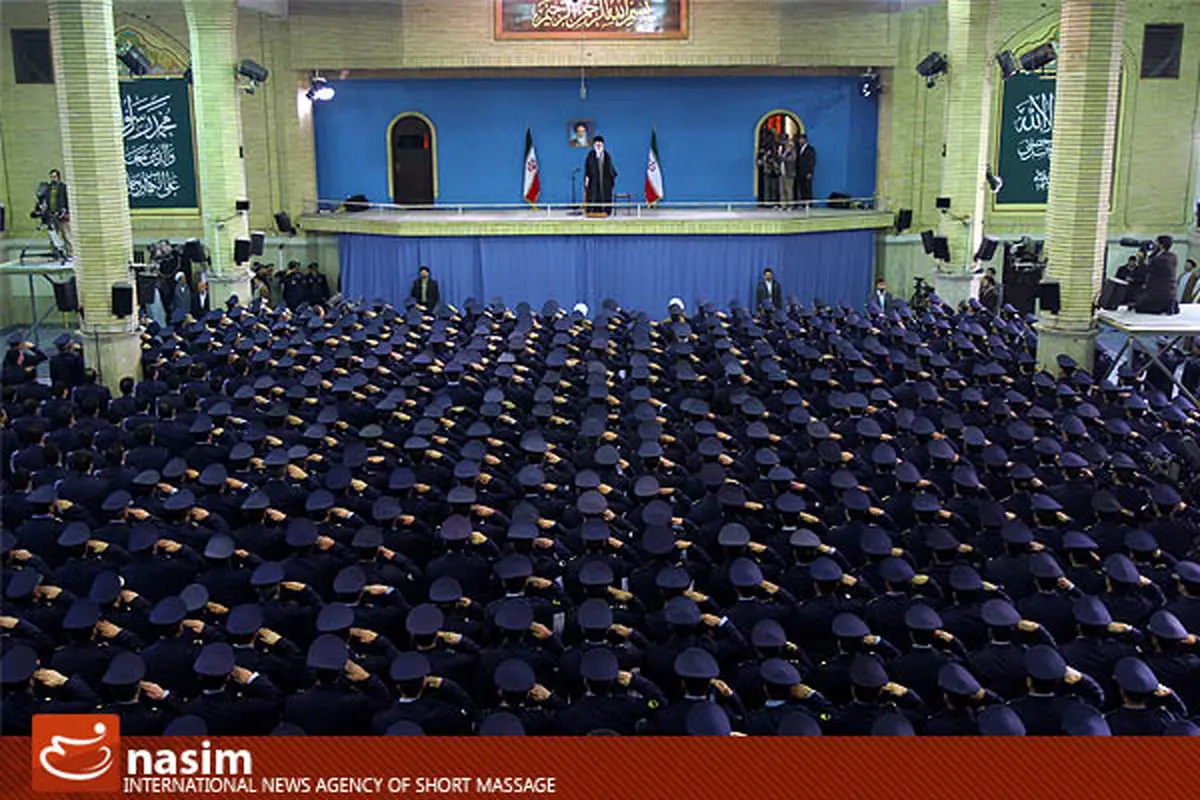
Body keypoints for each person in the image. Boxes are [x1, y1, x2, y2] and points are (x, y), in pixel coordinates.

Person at [1134, 235, 1178, 315]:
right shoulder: (1172, 256)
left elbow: (1143, 271)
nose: (1153, 245)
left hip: (1159, 294)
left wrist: (1141, 259)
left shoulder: (1160, 259)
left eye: (1156, 242)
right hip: (1170, 294)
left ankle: (1162, 308)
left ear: (1161, 245)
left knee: (1138, 307)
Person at [32, 169, 70, 260]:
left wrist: (67, 211)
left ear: (58, 177)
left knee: (66, 234)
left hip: (61, 214)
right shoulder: (48, 188)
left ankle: (70, 254)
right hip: (51, 214)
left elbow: (67, 200)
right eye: (51, 177)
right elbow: (43, 200)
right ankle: (55, 254)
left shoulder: (63, 187)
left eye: (54, 177)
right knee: (53, 235)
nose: (53, 179)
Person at [584, 137, 617, 218]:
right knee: (593, 195)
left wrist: (612, 178)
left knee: (605, 194)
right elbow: (587, 168)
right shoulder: (590, 155)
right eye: (597, 145)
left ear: (603, 145)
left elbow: (610, 168)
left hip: (604, 181)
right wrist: (586, 178)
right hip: (593, 181)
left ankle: (606, 211)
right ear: (594, 145)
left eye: (600, 145)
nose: (598, 146)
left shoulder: (606, 155)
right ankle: (592, 211)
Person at [757, 132, 780, 207]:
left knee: (773, 187)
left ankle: (773, 202)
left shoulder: (777, 147)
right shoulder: (764, 147)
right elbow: (759, 159)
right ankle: (768, 202)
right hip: (767, 169)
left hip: (774, 170)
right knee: (768, 187)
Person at [796, 134, 816, 204]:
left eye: (801, 139)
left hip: (807, 173)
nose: (799, 141)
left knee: (807, 189)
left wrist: (810, 172)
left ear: (805, 140)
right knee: (802, 189)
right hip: (800, 172)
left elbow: (812, 161)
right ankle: (803, 203)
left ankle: (808, 204)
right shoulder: (799, 149)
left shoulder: (810, 149)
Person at [778, 135, 797, 208]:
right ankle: (783, 205)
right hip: (781, 171)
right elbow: (778, 158)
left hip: (789, 172)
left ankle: (790, 205)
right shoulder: (780, 148)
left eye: (784, 140)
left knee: (789, 189)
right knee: (781, 190)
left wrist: (784, 156)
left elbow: (793, 159)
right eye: (781, 140)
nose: (782, 141)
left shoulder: (792, 149)